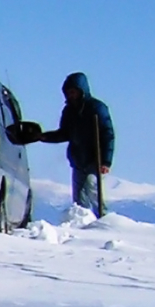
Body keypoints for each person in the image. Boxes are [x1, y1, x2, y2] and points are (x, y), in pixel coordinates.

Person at [40, 72, 114, 217]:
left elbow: (107, 134)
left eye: (73, 91)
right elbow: (64, 133)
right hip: (78, 160)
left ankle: (105, 223)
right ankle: (82, 225)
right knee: (79, 198)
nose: (70, 95)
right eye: (68, 92)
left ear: (81, 90)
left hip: (95, 159)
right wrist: (44, 137)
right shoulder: (69, 111)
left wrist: (106, 161)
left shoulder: (97, 108)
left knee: (94, 193)